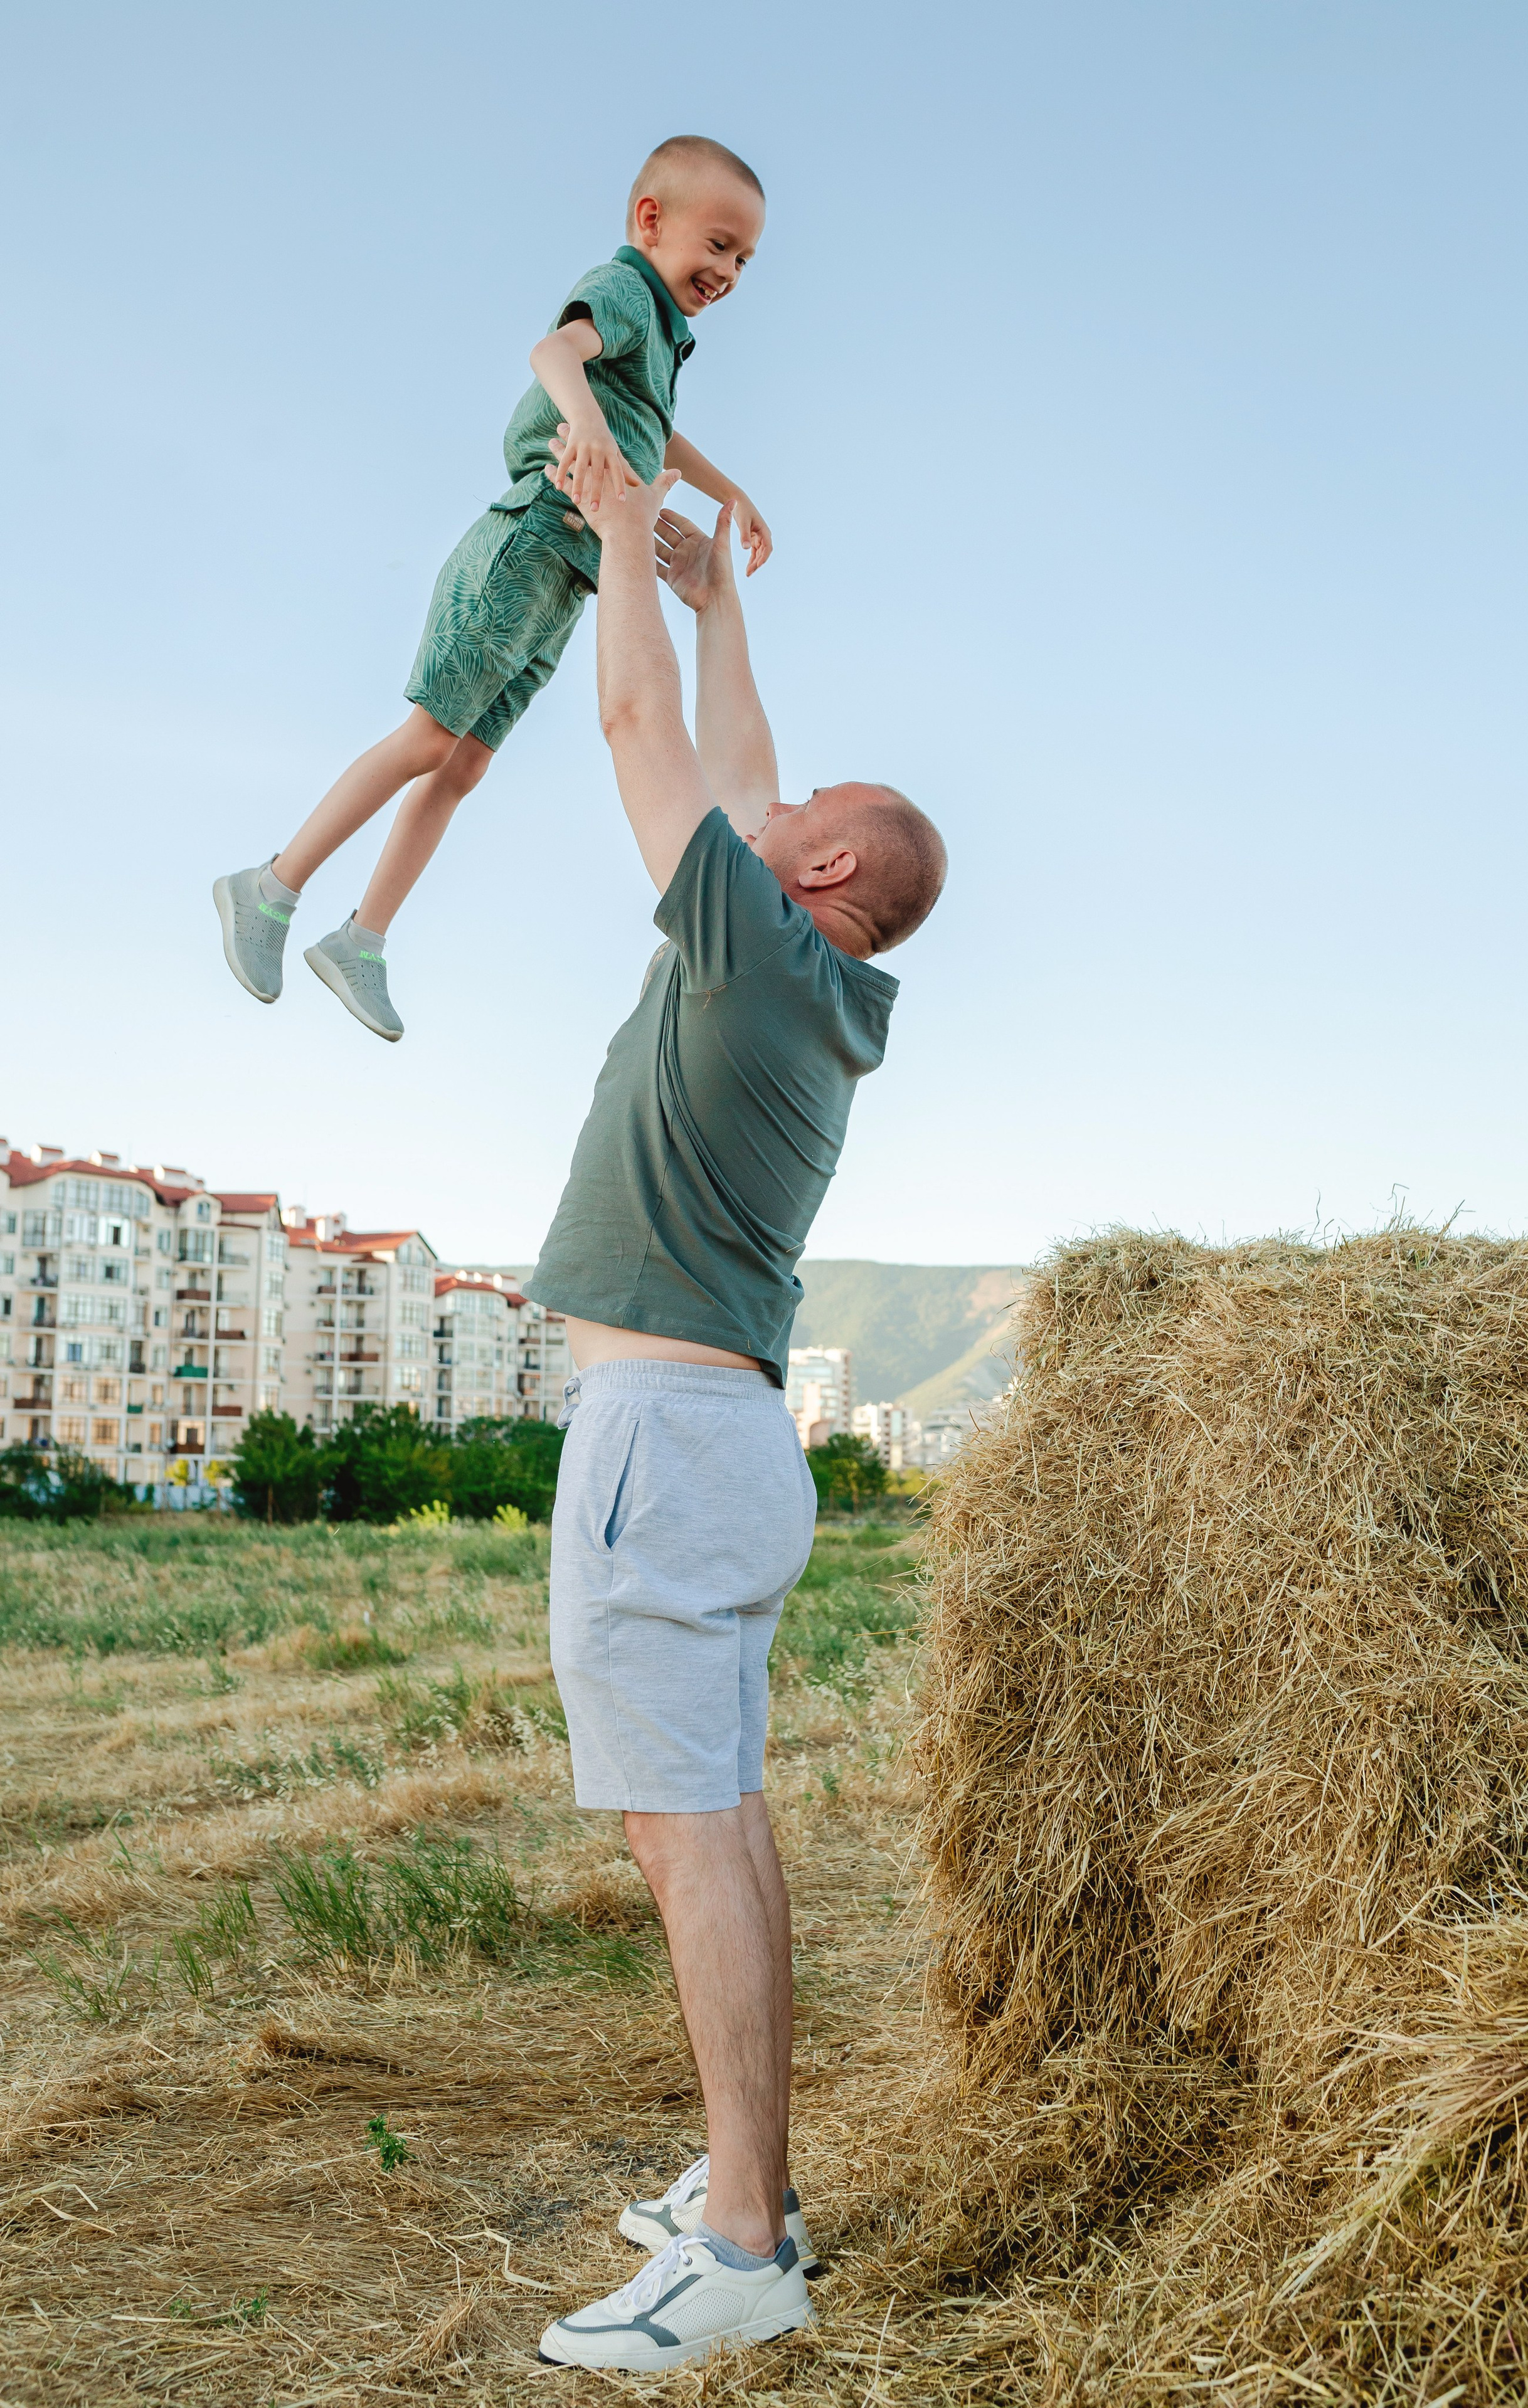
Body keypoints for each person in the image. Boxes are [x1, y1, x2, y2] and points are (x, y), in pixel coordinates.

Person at [528, 449, 945, 2373]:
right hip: (721, 1446)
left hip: (664, 1445)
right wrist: (719, 600)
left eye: (798, 817)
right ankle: (739, 2188)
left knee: (688, 1837)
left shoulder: (763, 950)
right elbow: (728, 738)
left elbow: (637, 729)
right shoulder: (806, 977)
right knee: (729, 1824)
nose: (762, 807)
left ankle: (748, 2252)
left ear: (827, 872)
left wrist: (622, 528)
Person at [212, 135, 771, 1042]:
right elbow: (554, 354)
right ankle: (270, 887)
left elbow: (657, 437)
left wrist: (731, 492)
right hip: (527, 545)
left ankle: (364, 939)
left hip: (570, 578)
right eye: (718, 245)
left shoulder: (666, 342)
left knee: (464, 764)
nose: (730, 271)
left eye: (745, 259)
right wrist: (585, 425)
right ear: (650, 221)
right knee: (429, 736)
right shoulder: (627, 287)